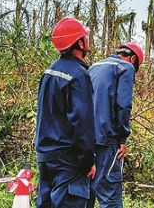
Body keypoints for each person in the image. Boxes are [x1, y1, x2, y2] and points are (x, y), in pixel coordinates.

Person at [36, 17, 97, 208]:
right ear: (79, 42)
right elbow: (82, 122)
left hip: (46, 157)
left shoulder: (49, 72)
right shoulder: (79, 75)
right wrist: (88, 160)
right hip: (68, 161)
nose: (87, 40)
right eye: (85, 37)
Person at [88, 41, 144, 208]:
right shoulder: (125, 68)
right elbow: (123, 105)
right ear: (132, 58)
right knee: (110, 198)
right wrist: (122, 137)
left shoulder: (93, 67)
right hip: (108, 141)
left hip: (86, 140)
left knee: (85, 196)